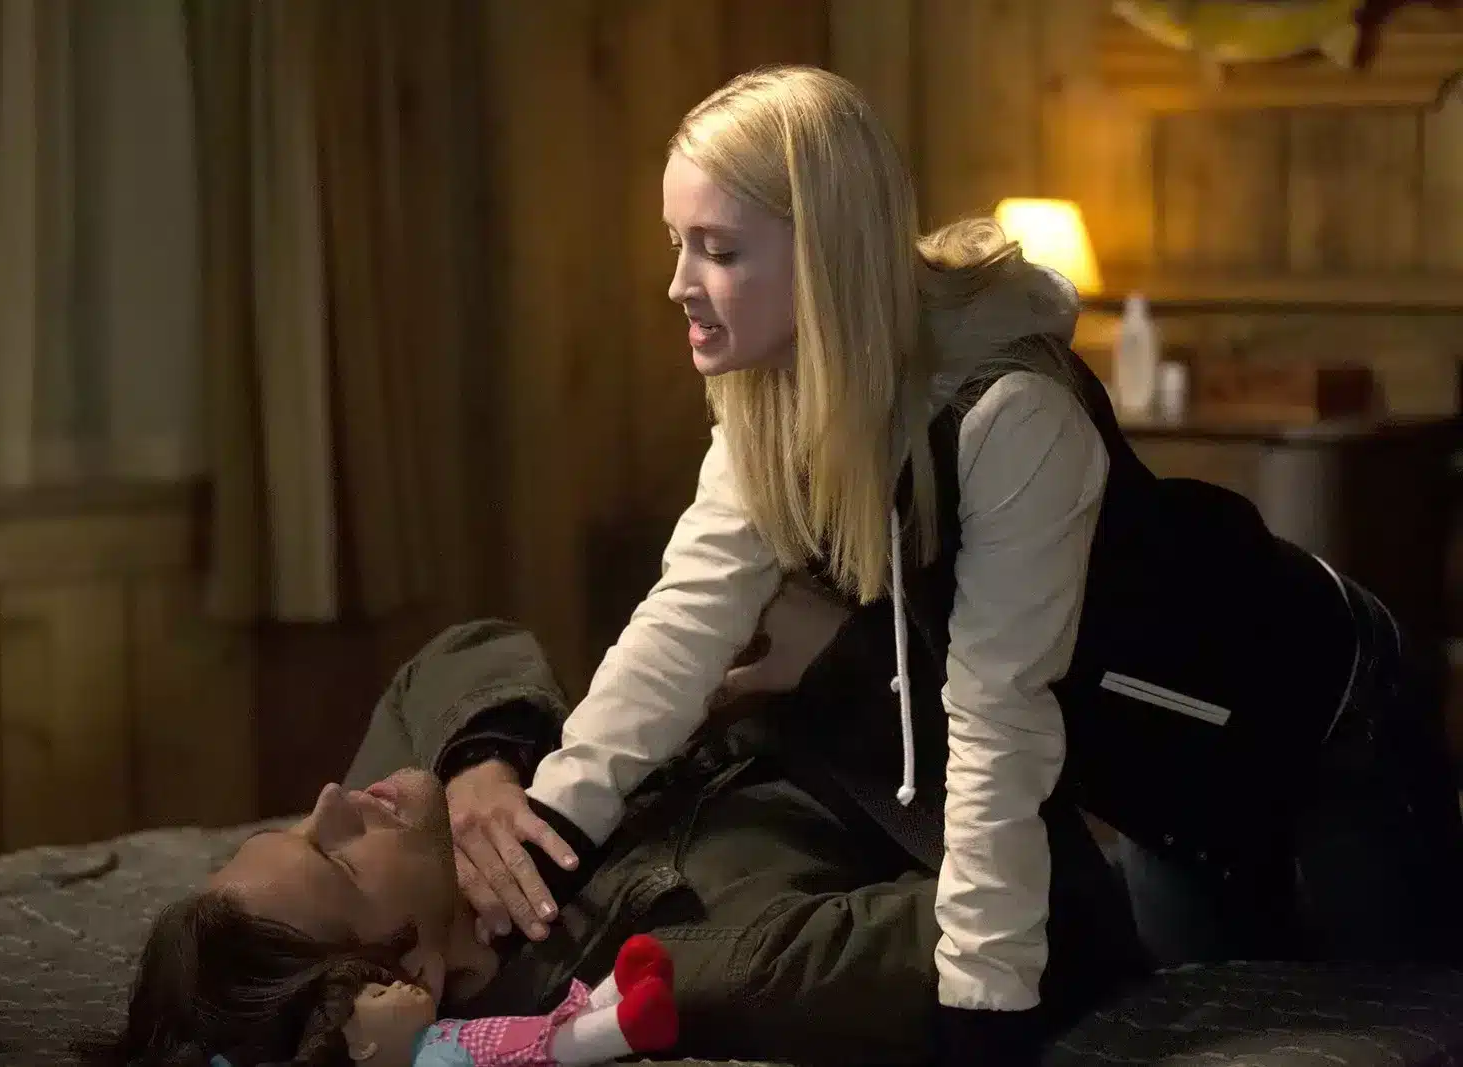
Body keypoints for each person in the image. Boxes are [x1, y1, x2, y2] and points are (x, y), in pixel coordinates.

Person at [445, 64, 1463, 1066]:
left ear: (826, 252)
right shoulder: (772, 403)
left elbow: (996, 715)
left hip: (1319, 720)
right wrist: (550, 826)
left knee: (1408, 1021)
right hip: (1155, 781)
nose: (678, 283)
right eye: (677, 243)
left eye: (717, 249)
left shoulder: (1012, 412)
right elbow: (681, 626)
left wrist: (981, 996)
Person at [95, 619, 1147, 1066]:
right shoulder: (695, 963)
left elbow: (455, 656)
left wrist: (480, 760)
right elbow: (1051, 913)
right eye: (328, 853)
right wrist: (846, 670)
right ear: (404, 977)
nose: (331, 797)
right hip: (1021, 732)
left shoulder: (427, 842)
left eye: (293, 823)